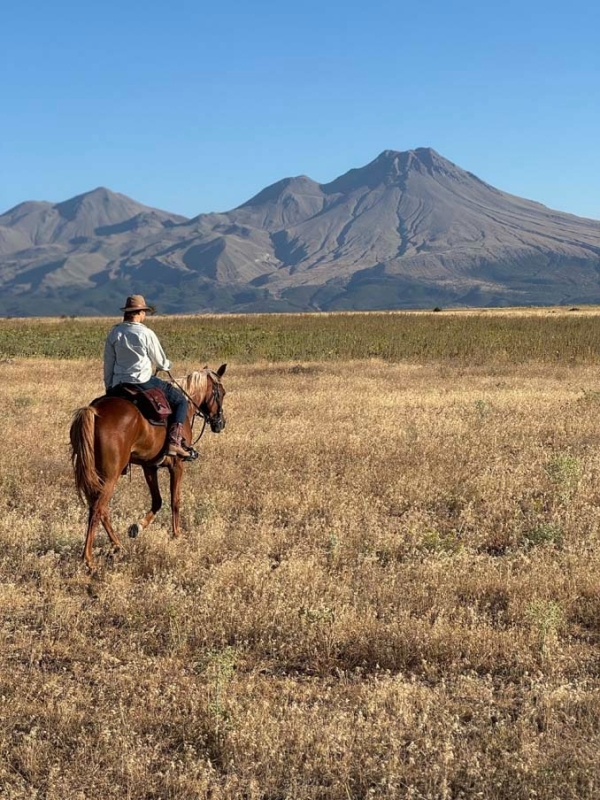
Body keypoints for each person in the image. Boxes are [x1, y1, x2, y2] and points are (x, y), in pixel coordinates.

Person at [103, 295, 190, 458]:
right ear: (140, 312)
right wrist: (166, 365)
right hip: (142, 381)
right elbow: (161, 361)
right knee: (180, 401)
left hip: (119, 383)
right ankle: (174, 442)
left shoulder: (114, 332)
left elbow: (108, 363)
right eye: (144, 312)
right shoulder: (146, 333)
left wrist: (109, 386)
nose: (145, 315)